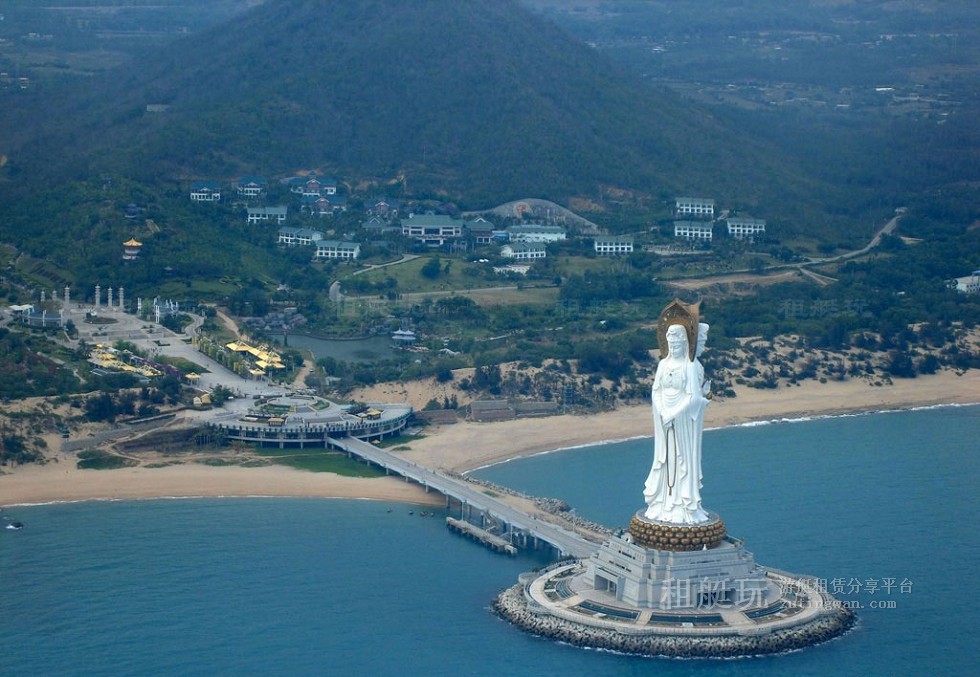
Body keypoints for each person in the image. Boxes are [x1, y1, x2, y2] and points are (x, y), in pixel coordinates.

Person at [643, 323, 710, 524]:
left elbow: (694, 397)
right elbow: (656, 390)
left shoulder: (690, 366)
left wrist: (674, 413)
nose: (673, 347)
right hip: (663, 417)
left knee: (682, 460)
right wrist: (663, 410)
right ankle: (662, 503)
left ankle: (682, 505)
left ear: (685, 344)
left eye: (677, 344)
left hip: (683, 421)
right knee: (664, 459)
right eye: (670, 344)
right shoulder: (663, 364)